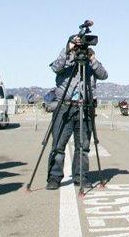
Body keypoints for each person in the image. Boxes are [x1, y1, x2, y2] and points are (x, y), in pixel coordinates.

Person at [46, 36, 108, 190]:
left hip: (85, 107)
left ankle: (81, 176)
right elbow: (55, 67)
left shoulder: (89, 62)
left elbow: (103, 75)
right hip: (65, 107)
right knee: (58, 145)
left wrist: (92, 59)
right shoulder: (66, 60)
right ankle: (54, 177)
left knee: (83, 146)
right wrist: (68, 49)